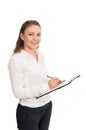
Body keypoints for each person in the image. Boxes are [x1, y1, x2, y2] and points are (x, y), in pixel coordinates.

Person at [8, 20, 64, 130]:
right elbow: (18, 92)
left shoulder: (40, 54)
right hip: (29, 111)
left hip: (47, 105)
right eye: (31, 34)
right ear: (22, 36)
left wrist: (52, 81)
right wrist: (47, 86)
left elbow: (40, 76)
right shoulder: (16, 59)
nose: (35, 38)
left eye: (38, 34)